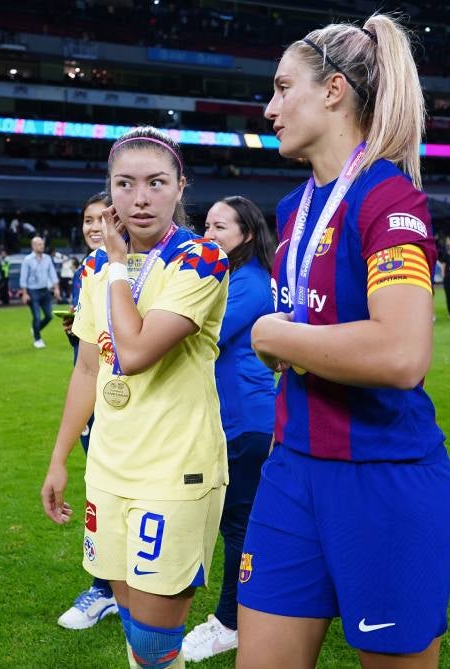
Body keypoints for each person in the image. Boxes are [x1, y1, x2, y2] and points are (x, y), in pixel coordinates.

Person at [239, 18, 450, 669]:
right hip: (291, 469)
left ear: (334, 90)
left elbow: (401, 353)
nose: (270, 107)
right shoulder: (290, 210)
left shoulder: (389, 197)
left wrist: (279, 335)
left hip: (382, 478)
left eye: (283, 88)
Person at [41, 126, 229, 669]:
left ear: (179, 187)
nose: (139, 198)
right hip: (108, 465)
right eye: (124, 184)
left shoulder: (203, 259)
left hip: (175, 471)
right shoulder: (94, 266)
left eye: (155, 183)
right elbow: (88, 367)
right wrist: (58, 460)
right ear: (110, 190)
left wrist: (119, 265)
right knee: (131, 620)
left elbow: (137, 351)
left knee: (153, 639)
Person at [183, 195, 275, 663]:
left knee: (237, 524)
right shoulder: (239, 277)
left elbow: (199, 336)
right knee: (236, 522)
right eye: (206, 225)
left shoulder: (250, 283)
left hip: (244, 420)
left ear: (247, 234)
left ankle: (229, 622)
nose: (209, 233)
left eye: (220, 227)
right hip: (236, 417)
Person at [55, 191, 121, 632]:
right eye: (87, 219)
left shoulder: (137, 265)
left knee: (121, 495)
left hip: (129, 407)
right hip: (95, 402)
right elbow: (90, 356)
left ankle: (110, 589)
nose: (94, 227)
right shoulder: (89, 268)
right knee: (100, 492)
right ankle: (106, 588)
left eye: (103, 218)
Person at [20, 236, 61, 347]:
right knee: (37, 317)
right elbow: (23, 277)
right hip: (32, 291)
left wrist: (56, 287)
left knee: (49, 316)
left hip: (45, 291)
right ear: (33, 246)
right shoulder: (27, 260)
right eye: (39, 244)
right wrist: (24, 293)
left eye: (42, 244)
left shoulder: (47, 258)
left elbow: (52, 273)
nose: (42, 246)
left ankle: (36, 329)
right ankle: (37, 339)